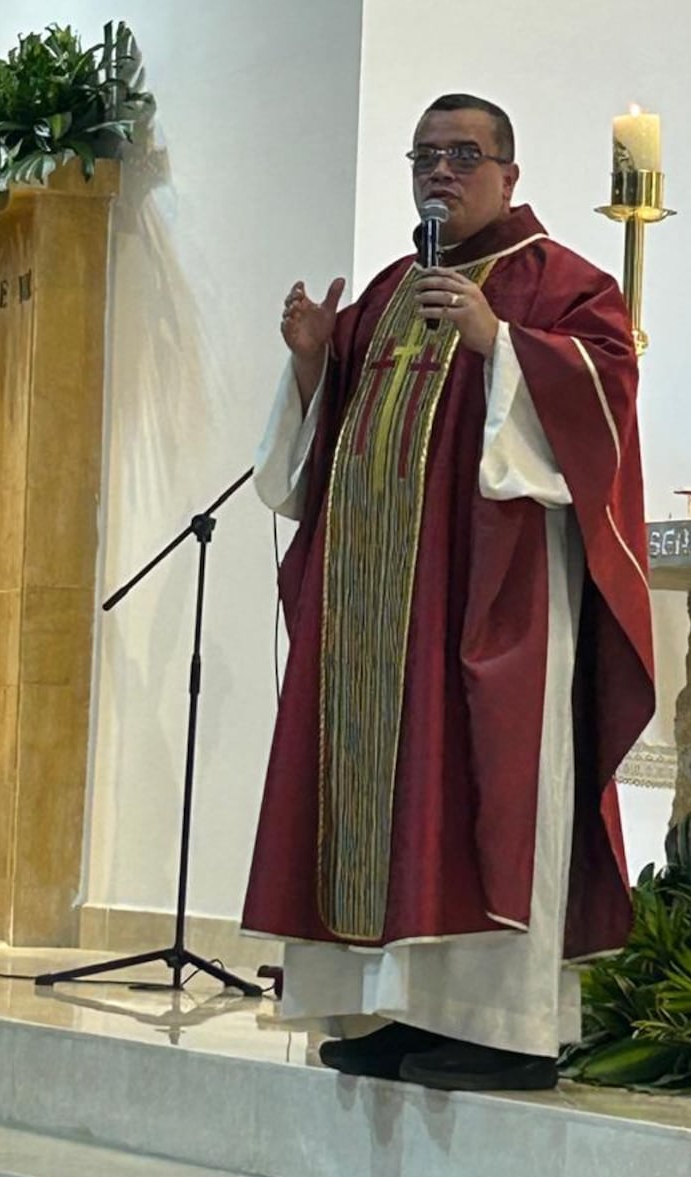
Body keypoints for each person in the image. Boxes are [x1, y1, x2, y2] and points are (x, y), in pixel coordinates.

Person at [242, 93, 654, 1092]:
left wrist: (498, 345)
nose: (441, 171)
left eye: (464, 155)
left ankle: (500, 1029)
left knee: (486, 789)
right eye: (425, 154)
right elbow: (309, 466)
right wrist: (309, 367)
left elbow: (603, 408)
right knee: (381, 797)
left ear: (509, 175)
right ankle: (389, 1007)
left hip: (491, 604)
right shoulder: (387, 290)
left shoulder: (565, 285)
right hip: (374, 617)